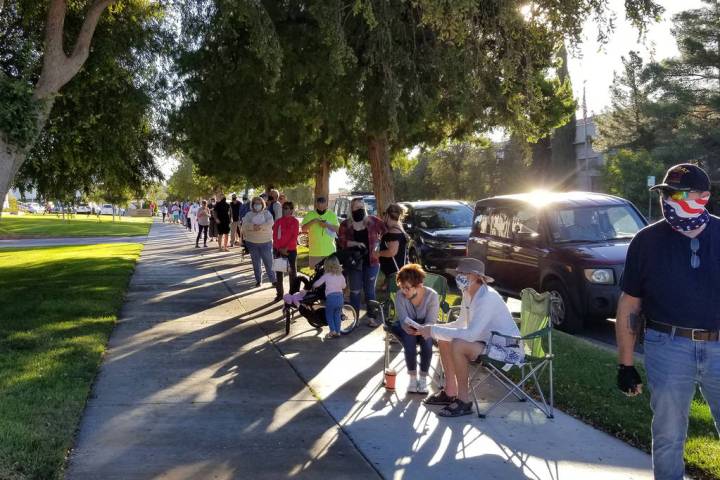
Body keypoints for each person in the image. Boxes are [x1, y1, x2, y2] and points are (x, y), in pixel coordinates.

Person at [615, 163, 720, 480]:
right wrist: (625, 364)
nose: (669, 200)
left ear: (704, 196)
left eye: (679, 194)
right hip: (668, 346)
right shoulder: (646, 241)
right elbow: (630, 303)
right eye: (666, 193)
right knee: (668, 436)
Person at [412, 258, 522, 417]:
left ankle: (463, 401)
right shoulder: (468, 293)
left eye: (464, 274)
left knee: (458, 344)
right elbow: (460, 323)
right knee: (444, 338)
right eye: (458, 273)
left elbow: (470, 334)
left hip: (506, 348)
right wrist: (430, 329)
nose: (459, 277)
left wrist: (433, 330)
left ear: (477, 276)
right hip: (486, 341)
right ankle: (450, 392)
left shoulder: (487, 298)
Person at [338, 197, 387, 327]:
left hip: (372, 262)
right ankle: (356, 318)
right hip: (354, 262)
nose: (359, 209)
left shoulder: (373, 221)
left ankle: (372, 318)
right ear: (351, 209)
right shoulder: (345, 224)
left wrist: (379, 244)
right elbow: (342, 242)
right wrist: (356, 243)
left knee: (370, 291)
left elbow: (386, 232)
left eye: (361, 207)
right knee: (355, 291)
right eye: (356, 207)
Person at [392, 263, 439, 394]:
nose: (403, 291)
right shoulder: (400, 296)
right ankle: (413, 379)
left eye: (407, 288)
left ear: (418, 285)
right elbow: (402, 318)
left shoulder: (432, 296)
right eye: (401, 287)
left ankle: (423, 379)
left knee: (427, 340)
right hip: (407, 327)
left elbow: (431, 321)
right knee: (409, 339)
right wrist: (406, 327)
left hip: (426, 326)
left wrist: (423, 329)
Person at [241, 197, 277, 287]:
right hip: (252, 243)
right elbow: (244, 225)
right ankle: (258, 280)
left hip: (266, 242)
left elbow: (270, 223)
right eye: (255, 203)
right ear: (252, 205)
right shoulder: (249, 214)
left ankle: (273, 280)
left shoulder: (267, 213)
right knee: (256, 263)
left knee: (268, 262)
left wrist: (260, 227)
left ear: (263, 204)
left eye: (259, 203)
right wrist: (253, 227)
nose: (257, 205)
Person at [313, 255, 346, 339]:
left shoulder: (326, 276)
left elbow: (318, 283)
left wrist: (313, 285)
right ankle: (338, 332)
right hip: (340, 298)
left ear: (326, 266)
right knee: (337, 315)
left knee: (329, 315)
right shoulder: (341, 275)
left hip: (331, 299)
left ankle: (332, 331)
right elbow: (344, 286)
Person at [272, 201, 300, 302]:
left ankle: (293, 295)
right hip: (279, 251)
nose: (286, 210)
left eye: (288, 208)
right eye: (284, 208)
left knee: (292, 274)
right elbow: (275, 236)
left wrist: (286, 248)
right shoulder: (278, 221)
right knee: (279, 274)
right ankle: (280, 294)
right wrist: (280, 249)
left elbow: (294, 236)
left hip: (290, 251)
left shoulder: (295, 222)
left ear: (292, 210)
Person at [301, 196, 340, 268]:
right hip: (315, 252)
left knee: (330, 275)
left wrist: (327, 225)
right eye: (319, 207)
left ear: (326, 205)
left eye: (323, 207)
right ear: (316, 204)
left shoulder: (332, 215)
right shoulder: (310, 214)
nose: (321, 209)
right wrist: (313, 221)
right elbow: (303, 229)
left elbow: (338, 230)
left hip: (329, 252)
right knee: (316, 276)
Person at [378, 203, 408, 284]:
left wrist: (377, 254)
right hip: (397, 270)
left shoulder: (393, 232)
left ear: (387, 215)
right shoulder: (398, 227)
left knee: (394, 295)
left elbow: (392, 252)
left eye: (384, 214)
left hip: (394, 272)